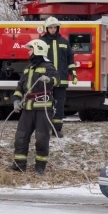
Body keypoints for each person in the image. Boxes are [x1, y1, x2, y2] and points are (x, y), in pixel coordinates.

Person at [11, 39, 59, 175]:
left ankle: (40, 168)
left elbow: (57, 80)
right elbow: (20, 88)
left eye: (30, 49)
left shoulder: (48, 67)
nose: (28, 51)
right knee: (20, 137)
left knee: (41, 139)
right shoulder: (28, 68)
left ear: (38, 50)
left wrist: (49, 80)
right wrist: (16, 101)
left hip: (43, 109)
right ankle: (19, 165)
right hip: (27, 110)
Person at [39, 16, 77, 138]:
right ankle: (44, 128)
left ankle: (57, 129)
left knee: (59, 104)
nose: (53, 29)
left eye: (55, 27)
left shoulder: (64, 42)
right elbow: (36, 60)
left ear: (58, 28)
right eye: (50, 27)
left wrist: (74, 73)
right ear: (46, 28)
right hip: (46, 79)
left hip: (61, 79)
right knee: (44, 104)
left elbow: (70, 59)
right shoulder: (41, 42)